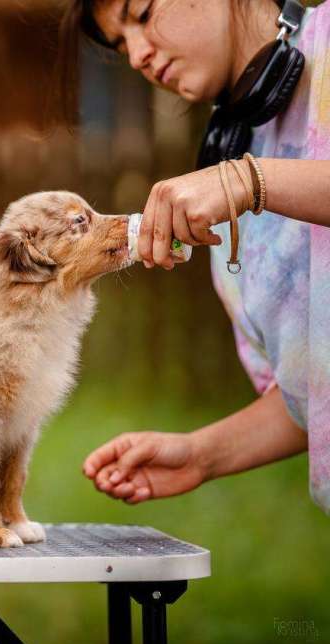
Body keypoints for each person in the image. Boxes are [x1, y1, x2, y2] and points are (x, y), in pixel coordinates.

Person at [58, 0, 330, 514]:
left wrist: (251, 181)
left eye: (141, 12)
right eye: (120, 44)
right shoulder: (236, 144)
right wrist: (202, 455)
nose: (138, 54)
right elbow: (311, 388)